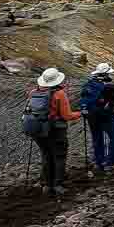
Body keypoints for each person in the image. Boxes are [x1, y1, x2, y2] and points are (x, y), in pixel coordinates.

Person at [30, 67, 81, 197]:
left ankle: (47, 184)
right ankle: (58, 185)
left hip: (39, 130)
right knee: (59, 156)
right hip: (56, 130)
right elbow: (67, 115)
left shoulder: (33, 92)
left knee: (46, 156)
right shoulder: (59, 94)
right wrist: (80, 113)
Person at [80, 63, 114, 173]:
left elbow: (83, 97)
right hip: (106, 115)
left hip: (91, 116)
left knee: (97, 138)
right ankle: (111, 162)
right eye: (109, 73)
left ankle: (99, 162)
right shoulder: (108, 87)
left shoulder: (88, 85)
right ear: (105, 74)